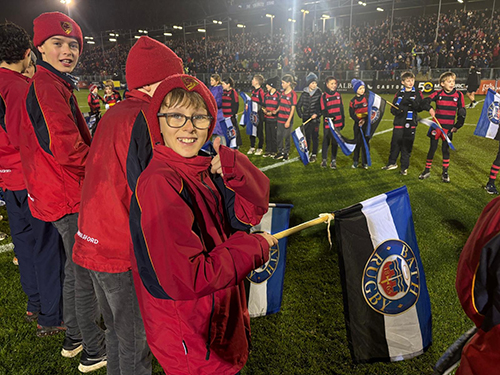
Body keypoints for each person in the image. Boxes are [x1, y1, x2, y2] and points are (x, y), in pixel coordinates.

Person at [129, 74, 277, 374]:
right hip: (191, 331)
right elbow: (188, 276)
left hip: (214, 313)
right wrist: (254, 247)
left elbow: (250, 213)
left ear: (211, 124)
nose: (188, 126)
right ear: (158, 122)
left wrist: (238, 168)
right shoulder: (161, 182)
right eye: (175, 116)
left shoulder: (202, 168)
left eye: (198, 117)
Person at [73, 36, 183, 375]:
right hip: (119, 246)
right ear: (157, 82)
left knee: (120, 335)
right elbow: (150, 190)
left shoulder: (115, 112)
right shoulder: (147, 117)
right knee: (136, 340)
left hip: (93, 237)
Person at [20, 12, 106, 372]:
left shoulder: (52, 83)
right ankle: (93, 348)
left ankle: (74, 338)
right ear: (39, 47)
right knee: (85, 274)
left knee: (74, 271)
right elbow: (67, 149)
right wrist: (108, 166)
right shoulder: (46, 86)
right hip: (67, 195)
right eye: (58, 43)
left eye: (73, 45)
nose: (67, 50)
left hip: (55, 192)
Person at [0, 21, 64, 333]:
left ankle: (35, 302)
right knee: (47, 247)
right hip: (30, 180)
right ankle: (51, 317)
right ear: (27, 53)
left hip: (8, 181)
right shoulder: (17, 87)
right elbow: (23, 137)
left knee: (24, 245)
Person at [419, 71, 466, 183]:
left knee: (445, 150)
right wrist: (429, 108)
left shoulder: (459, 95)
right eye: (449, 81)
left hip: (448, 128)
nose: (452, 83)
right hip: (436, 127)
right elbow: (424, 101)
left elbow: (462, 112)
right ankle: (427, 170)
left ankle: (445, 172)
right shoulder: (438, 94)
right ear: (442, 84)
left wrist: (457, 126)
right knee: (432, 148)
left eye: (453, 81)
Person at [382, 71, 425, 175]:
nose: (411, 82)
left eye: (412, 80)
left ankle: (404, 167)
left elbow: (420, 107)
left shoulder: (417, 93)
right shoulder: (399, 93)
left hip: (410, 124)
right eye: (408, 80)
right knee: (395, 144)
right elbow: (393, 108)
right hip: (399, 122)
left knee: (407, 145)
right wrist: (396, 111)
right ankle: (392, 163)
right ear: (402, 82)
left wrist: (415, 105)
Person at [296, 72, 322, 163]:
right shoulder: (304, 94)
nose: (314, 85)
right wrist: (302, 115)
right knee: (306, 137)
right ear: (308, 84)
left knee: (315, 137)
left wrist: (317, 114)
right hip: (306, 120)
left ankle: (314, 154)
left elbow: (322, 108)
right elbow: (298, 106)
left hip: (315, 120)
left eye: (315, 83)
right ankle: (306, 153)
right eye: (312, 83)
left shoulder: (319, 94)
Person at [320, 76, 344, 169]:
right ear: (327, 84)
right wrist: (329, 117)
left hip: (337, 123)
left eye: (335, 83)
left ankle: (333, 160)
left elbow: (341, 108)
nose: (334, 85)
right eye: (332, 84)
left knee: (335, 142)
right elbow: (323, 110)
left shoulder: (338, 95)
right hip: (328, 124)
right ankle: (324, 160)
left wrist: (343, 120)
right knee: (326, 141)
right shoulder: (324, 96)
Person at [275, 74, 297, 161]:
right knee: (279, 135)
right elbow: (280, 105)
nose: (282, 84)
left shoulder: (293, 94)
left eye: (283, 83)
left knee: (286, 136)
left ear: (288, 83)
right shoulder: (282, 93)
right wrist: (276, 111)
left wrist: (288, 121)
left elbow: (292, 109)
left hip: (287, 119)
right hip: (280, 118)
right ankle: (280, 152)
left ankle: (286, 153)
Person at [349, 79, 369, 169]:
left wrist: (364, 119)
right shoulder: (352, 101)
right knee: (357, 143)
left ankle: (364, 162)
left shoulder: (367, 98)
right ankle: (355, 161)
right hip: (357, 125)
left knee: (365, 144)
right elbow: (351, 113)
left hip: (366, 124)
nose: (362, 90)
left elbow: (371, 110)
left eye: (363, 88)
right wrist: (358, 120)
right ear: (355, 89)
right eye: (360, 88)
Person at [221, 75, 242, 148]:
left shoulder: (233, 92)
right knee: (227, 131)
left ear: (228, 84)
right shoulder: (223, 92)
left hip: (230, 115)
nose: (222, 85)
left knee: (233, 130)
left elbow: (236, 104)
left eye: (223, 84)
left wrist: (233, 114)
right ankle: (230, 144)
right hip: (224, 115)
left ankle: (236, 145)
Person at [262, 76, 280, 158]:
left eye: (268, 85)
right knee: (268, 135)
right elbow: (263, 105)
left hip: (274, 119)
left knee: (274, 136)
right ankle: (268, 150)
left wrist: (274, 112)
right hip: (267, 119)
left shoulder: (278, 95)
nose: (266, 86)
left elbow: (280, 106)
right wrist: (264, 110)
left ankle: (274, 150)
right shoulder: (266, 95)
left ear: (272, 85)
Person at [248, 74, 265, 155]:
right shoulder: (253, 91)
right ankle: (252, 147)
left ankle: (260, 147)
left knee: (259, 131)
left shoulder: (261, 91)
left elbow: (263, 103)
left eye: (253, 79)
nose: (252, 81)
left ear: (257, 82)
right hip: (252, 115)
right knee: (252, 130)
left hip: (259, 115)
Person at [209, 74, 225, 145]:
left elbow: (219, 101)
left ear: (217, 81)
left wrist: (212, 104)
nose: (211, 82)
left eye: (212, 80)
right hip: (213, 112)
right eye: (210, 80)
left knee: (220, 132)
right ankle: (214, 147)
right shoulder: (211, 88)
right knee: (214, 131)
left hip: (219, 113)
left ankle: (223, 147)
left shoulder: (220, 89)